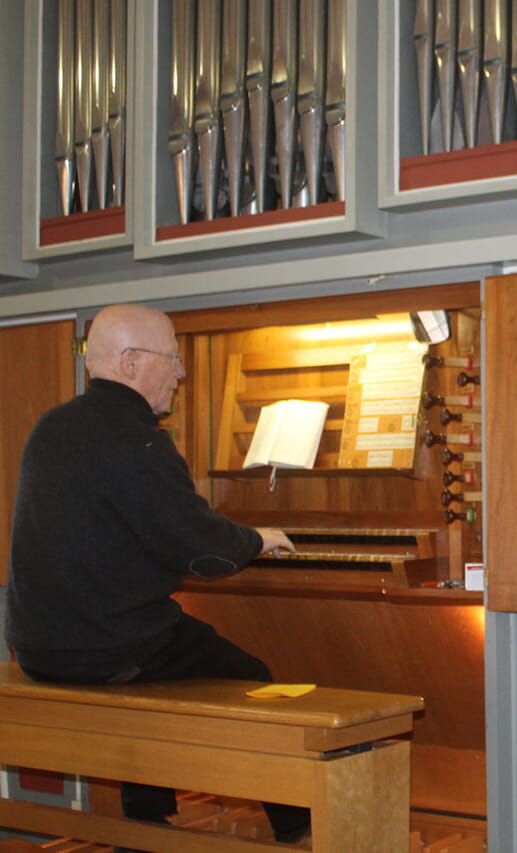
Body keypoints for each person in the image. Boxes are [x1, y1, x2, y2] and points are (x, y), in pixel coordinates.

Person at [4, 303, 309, 844]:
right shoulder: (138, 440)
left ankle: (150, 821)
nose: (182, 372)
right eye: (173, 357)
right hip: (106, 649)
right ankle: (301, 832)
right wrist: (258, 539)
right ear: (130, 362)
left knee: (157, 635)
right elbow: (200, 553)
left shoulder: (52, 427)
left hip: (37, 646)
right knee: (256, 677)